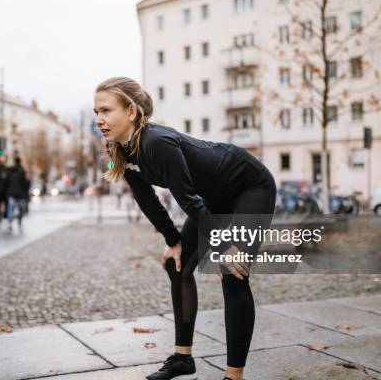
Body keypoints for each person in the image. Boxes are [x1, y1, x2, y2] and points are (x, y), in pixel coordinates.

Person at [94, 77, 276, 380]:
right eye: (96, 111)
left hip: (249, 186)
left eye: (106, 110)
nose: (99, 119)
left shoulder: (156, 143)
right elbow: (148, 201)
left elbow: (188, 199)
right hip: (214, 199)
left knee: (233, 271)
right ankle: (182, 359)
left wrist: (222, 247)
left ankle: (233, 377)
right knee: (176, 266)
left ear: (130, 112)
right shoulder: (123, 149)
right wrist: (173, 241)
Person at [5, 157, 30, 230]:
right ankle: (20, 220)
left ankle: (10, 222)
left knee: (11, 208)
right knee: (21, 208)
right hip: (20, 193)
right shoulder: (22, 171)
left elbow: (6, 182)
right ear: (20, 162)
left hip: (11, 193)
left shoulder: (9, 170)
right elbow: (25, 183)